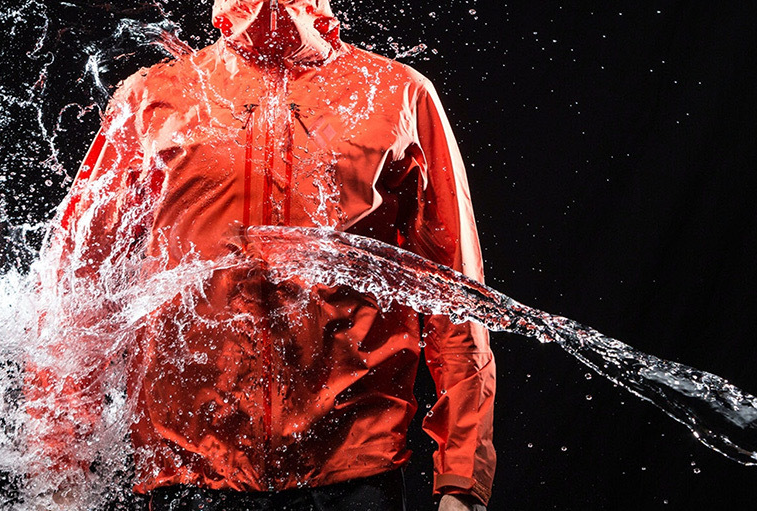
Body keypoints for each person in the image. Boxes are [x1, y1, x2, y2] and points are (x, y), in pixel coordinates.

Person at [27, 1, 495, 509]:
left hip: (352, 466)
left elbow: (455, 290)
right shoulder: (155, 95)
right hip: (188, 469)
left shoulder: (397, 93)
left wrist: (463, 476)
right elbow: (77, 283)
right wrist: (58, 461)